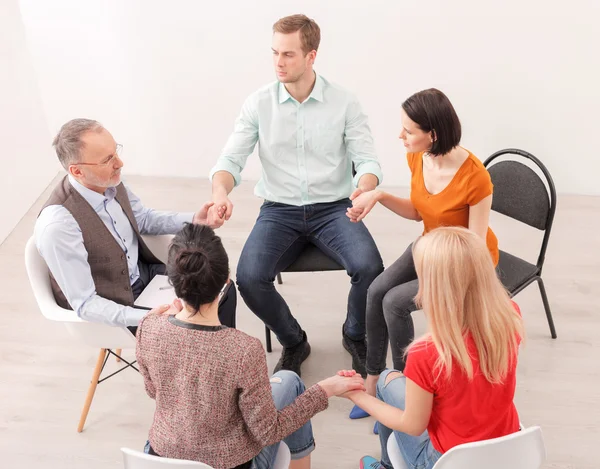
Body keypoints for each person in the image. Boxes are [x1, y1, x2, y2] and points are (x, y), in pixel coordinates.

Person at [208, 13, 384, 378]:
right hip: (279, 210)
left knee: (370, 268)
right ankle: (293, 340)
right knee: (250, 278)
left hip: (334, 208)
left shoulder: (344, 103)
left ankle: (354, 334)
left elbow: (367, 161)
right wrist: (220, 192)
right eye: (274, 53)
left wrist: (365, 187)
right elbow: (230, 159)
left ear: (311, 56)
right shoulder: (258, 104)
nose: (278, 63)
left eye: (288, 54)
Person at [136, 223, 365, 469]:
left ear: (173, 280)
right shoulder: (243, 350)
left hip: (160, 458)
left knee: (287, 379)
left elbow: (154, 391)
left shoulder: (149, 326)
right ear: (226, 281)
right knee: (290, 381)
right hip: (230, 463)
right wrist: (325, 389)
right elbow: (268, 432)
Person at [346, 88, 499, 396]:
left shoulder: (475, 177)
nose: (400, 136)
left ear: (433, 134)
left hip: (462, 263)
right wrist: (379, 195)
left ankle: (406, 389)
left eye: (409, 131)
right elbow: (419, 211)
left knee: (395, 302)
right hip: (430, 245)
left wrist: (441, 275)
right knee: (376, 291)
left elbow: (476, 248)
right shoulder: (417, 157)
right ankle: (373, 378)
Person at [339, 227, 523, 469]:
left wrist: (358, 396)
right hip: (506, 451)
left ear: (434, 288)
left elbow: (413, 425)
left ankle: (386, 466)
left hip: (445, 461)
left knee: (386, 379)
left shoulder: (426, 354)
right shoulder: (510, 315)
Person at [35, 118, 237, 334]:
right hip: (116, 304)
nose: (119, 163)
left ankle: (220, 356)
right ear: (77, 171)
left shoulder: (109, 180)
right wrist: (147, 317)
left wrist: (196, 218)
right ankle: (199, 362)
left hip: (144, 274)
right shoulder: (58, 225)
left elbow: (142, 219)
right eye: (107, 159)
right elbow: (86, 304)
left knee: (222, 287)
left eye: (116, 152)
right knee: (186, 329)